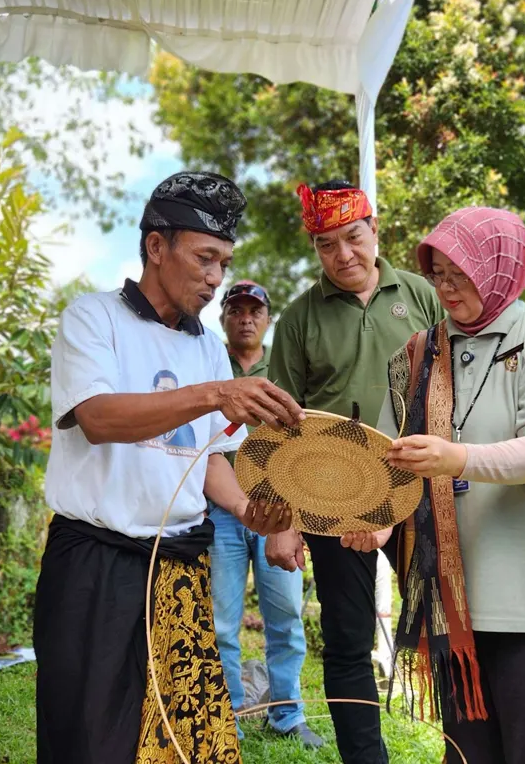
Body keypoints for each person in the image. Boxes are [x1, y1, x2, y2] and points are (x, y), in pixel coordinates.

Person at [34, 171, 305, 764]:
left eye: (223, 263)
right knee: (91, 736)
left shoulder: (206, 347)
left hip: (179, 567)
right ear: (156, 246)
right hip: (96, 561)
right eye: (204, 258)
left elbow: (205, 458)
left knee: (188, 739)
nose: (215, 277)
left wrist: (248, 510)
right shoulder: (94, 318)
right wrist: (214, 394)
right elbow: (97, 417)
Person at [372, 207, 525, 764]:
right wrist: (374, 520)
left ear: (499, 268)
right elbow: (385, 458)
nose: (446, 289)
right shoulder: (418, 354)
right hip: (454, 604)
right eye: (438, 275)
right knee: (469, 755)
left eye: (460, 275)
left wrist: (456, 458)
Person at [266, 179, 444, 764]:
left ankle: (468, 749)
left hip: (421, 487)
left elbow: (453, 388)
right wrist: (283, 522)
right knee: (347, 640)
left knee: (447, 627)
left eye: (353, 237)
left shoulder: (421, 295)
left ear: (374, 230)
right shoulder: (298, 318)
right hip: (331, 497)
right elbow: (280, 425)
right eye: (326, 244)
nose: (343, 255)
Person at [208, 280, 322, 747]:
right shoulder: (210, 363)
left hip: (279, 511)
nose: (245, 319)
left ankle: (287, 715)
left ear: (267, 319)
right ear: (223, 319)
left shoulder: (286, 366)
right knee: (221, 622)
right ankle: (228, 716)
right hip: (221, 509)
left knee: (286, 616)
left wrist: (298, 517)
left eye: (255, 311)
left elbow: (306, 439)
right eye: (236, 310)